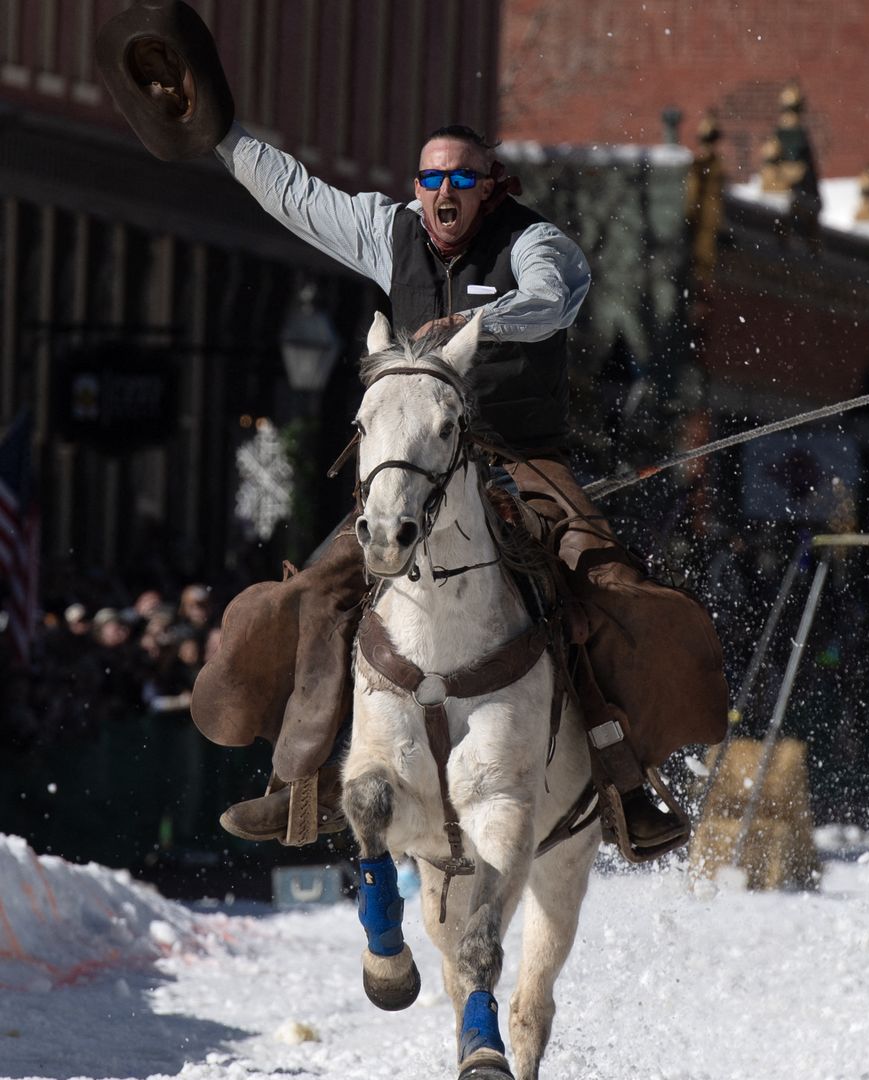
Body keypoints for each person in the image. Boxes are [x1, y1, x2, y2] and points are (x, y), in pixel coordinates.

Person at [93, 10, 728, 858]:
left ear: (489, 186)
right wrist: (223, 136)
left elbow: (556, 300)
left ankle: (623, 780)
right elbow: (298, 196)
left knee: (596, 581)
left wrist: (482, 327)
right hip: (412, 462)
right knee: (318, 592)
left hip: (519, 456)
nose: (443, 196)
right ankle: (301, 784)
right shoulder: (390, 231)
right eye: (430, 181)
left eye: (461, 182)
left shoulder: (535, 242)